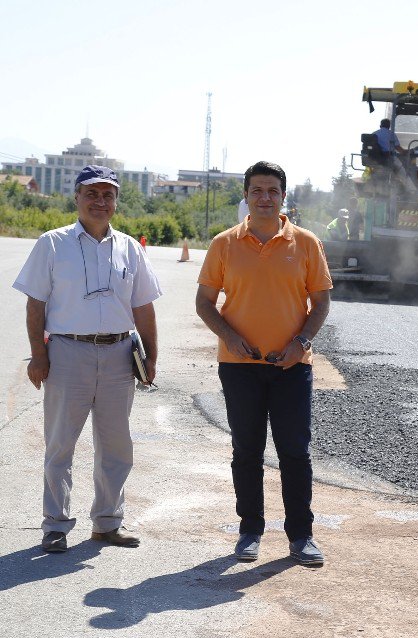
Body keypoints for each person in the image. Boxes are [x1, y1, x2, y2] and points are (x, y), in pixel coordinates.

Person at [13, 165, 161, 552]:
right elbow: (35, 305)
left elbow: (144, 308)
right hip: (67, 352)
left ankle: (108, 523)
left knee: (116, 445)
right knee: (60, 444)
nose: (100, 201)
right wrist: (38, 356)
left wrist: (152, 359)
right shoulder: (52, 243)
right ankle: (55, 525)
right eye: (92, 194)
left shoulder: (130, 247)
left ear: (115, 202)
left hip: (118, 355)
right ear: (76, 198)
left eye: (108, 195)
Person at [195, 161, 332, 566]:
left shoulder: (306, 243)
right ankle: (250, 530)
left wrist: (301, 342)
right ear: (246, 196)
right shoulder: (224, 244)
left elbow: (321, 303)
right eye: (257, 190)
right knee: (246, 451)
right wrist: (229, 337)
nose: (265, 198)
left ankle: (301, 536)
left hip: (292, 366)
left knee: (295, 452)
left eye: (272, 190)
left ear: (283, 196)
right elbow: (204, 302)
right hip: (239, 366)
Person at [372, 118, 418, 193]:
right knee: (402, 172)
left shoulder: (374, 134)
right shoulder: (391, 134)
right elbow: (400, 150)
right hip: (389, 158)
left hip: (377, 161)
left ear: (380, 125)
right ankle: (412, 190)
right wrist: (409, 151)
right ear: (389, 126)